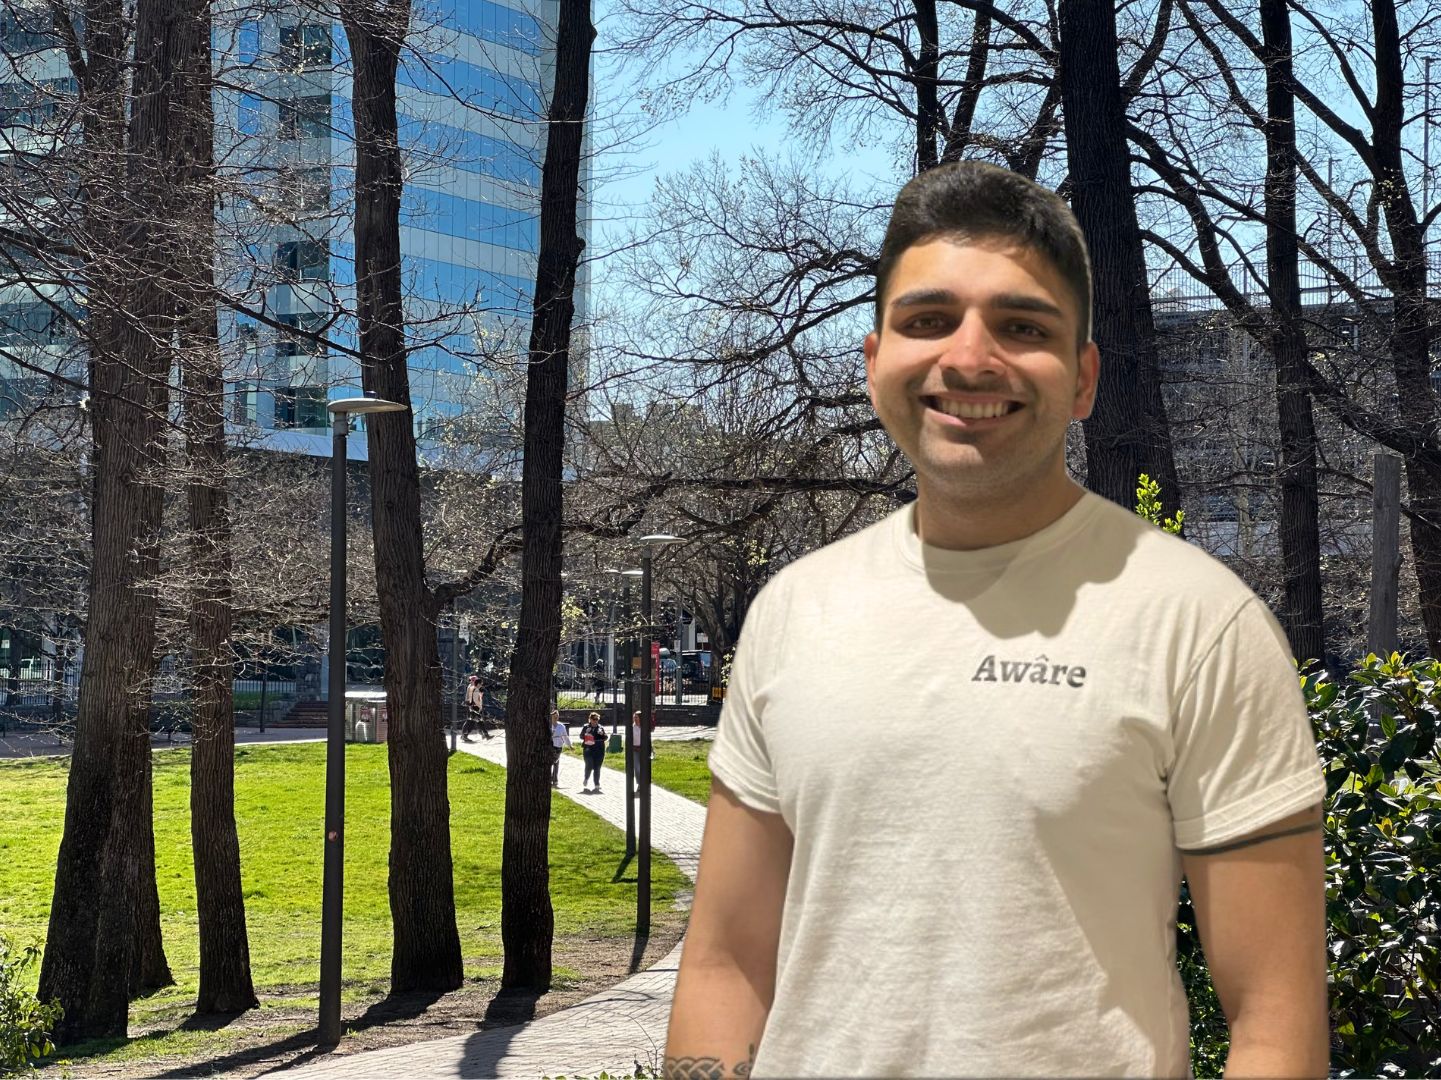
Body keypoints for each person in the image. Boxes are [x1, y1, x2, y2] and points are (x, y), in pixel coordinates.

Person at [664, 162, 1328, 1079]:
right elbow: (726, 960)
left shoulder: (1199, 622)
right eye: (927, 320)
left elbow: (1274, 1020)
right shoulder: (792, 610)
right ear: (873, 364)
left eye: (1021, 327)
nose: (969, 358)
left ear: (1083, 377)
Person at [579, 711, 608, 793]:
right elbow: (581, 736)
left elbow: (606, 737)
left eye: (597, 719)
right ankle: (586, 778)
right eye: (594, 719)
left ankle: (597, 784)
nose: (595, 721)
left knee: (597, 767)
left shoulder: (600, 728)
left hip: (599, 750)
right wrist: (586, 733)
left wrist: (602, 734)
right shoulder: (586, 727)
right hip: (588, 749)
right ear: (590, 719)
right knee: (589, 765)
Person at [461, 675, 492, 741]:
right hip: (472, 705)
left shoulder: (473, 686)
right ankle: (464, 736)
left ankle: (485, 735)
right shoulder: (472, 687)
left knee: (478, 721)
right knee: (471, 721)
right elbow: (472, 698)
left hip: (473, 705)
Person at [549, 709, 571, 787]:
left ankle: (555, 779)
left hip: (558, 746)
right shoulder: (548, 725)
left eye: (557, 716)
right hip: (550, 746)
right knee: (551, 762)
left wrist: (569, 745)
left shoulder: (561, 726)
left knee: (556, 763)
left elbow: (565, 736)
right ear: (551, 717)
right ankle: (550, 778)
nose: (556, 718)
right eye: (554, 717)